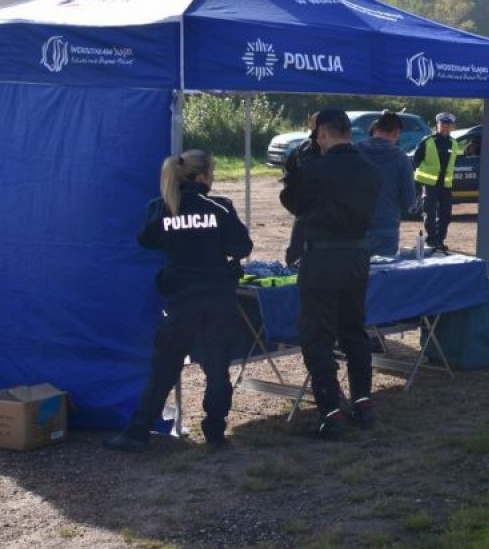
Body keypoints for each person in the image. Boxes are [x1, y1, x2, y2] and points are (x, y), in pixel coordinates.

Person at [105, 150, 253, 451]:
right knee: (216, 370)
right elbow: (242, 246)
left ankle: (137, 433)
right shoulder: (219, 207)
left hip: (180, 300)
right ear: (203, 176)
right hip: (217, 299)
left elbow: (146, 240)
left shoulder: (161, 208)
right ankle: (214, 432)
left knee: (163, 369)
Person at [280, 109, 383, 438]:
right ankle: (364, 403)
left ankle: (331, 411)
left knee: (317, 335)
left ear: (322, 133)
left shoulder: (317, 171)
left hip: (323, 258)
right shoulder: (369, 168)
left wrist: (296, 170)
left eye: (316, 134)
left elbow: (294, 203)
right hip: (357, 256)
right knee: (354, 330)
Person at [357, 109, 417, 257]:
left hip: (355, 228)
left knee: (354, 277)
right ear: (396, 133)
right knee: (383, 277)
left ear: (375, 129)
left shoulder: (354, 151)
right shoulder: (401, 158)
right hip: (386, 228)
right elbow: (408, 201)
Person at [412, 112, 462, 253]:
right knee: (430, 213)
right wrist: (419, 180)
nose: (445, 127)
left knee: (446, 214)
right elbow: (415, 160)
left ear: (452, 127)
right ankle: (431, 240)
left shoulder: (454, 143)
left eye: (448, 125)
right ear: (437, 126)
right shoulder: (428, 141)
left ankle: (440, 240)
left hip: (445, 185)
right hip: (429, 184)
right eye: (442, 125)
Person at [282, 113, 323, 268]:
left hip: (329, 219)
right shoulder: (302, 150)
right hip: (304, 215)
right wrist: (297, 207)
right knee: (295, 258)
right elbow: (288, 180)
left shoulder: (339, 151)